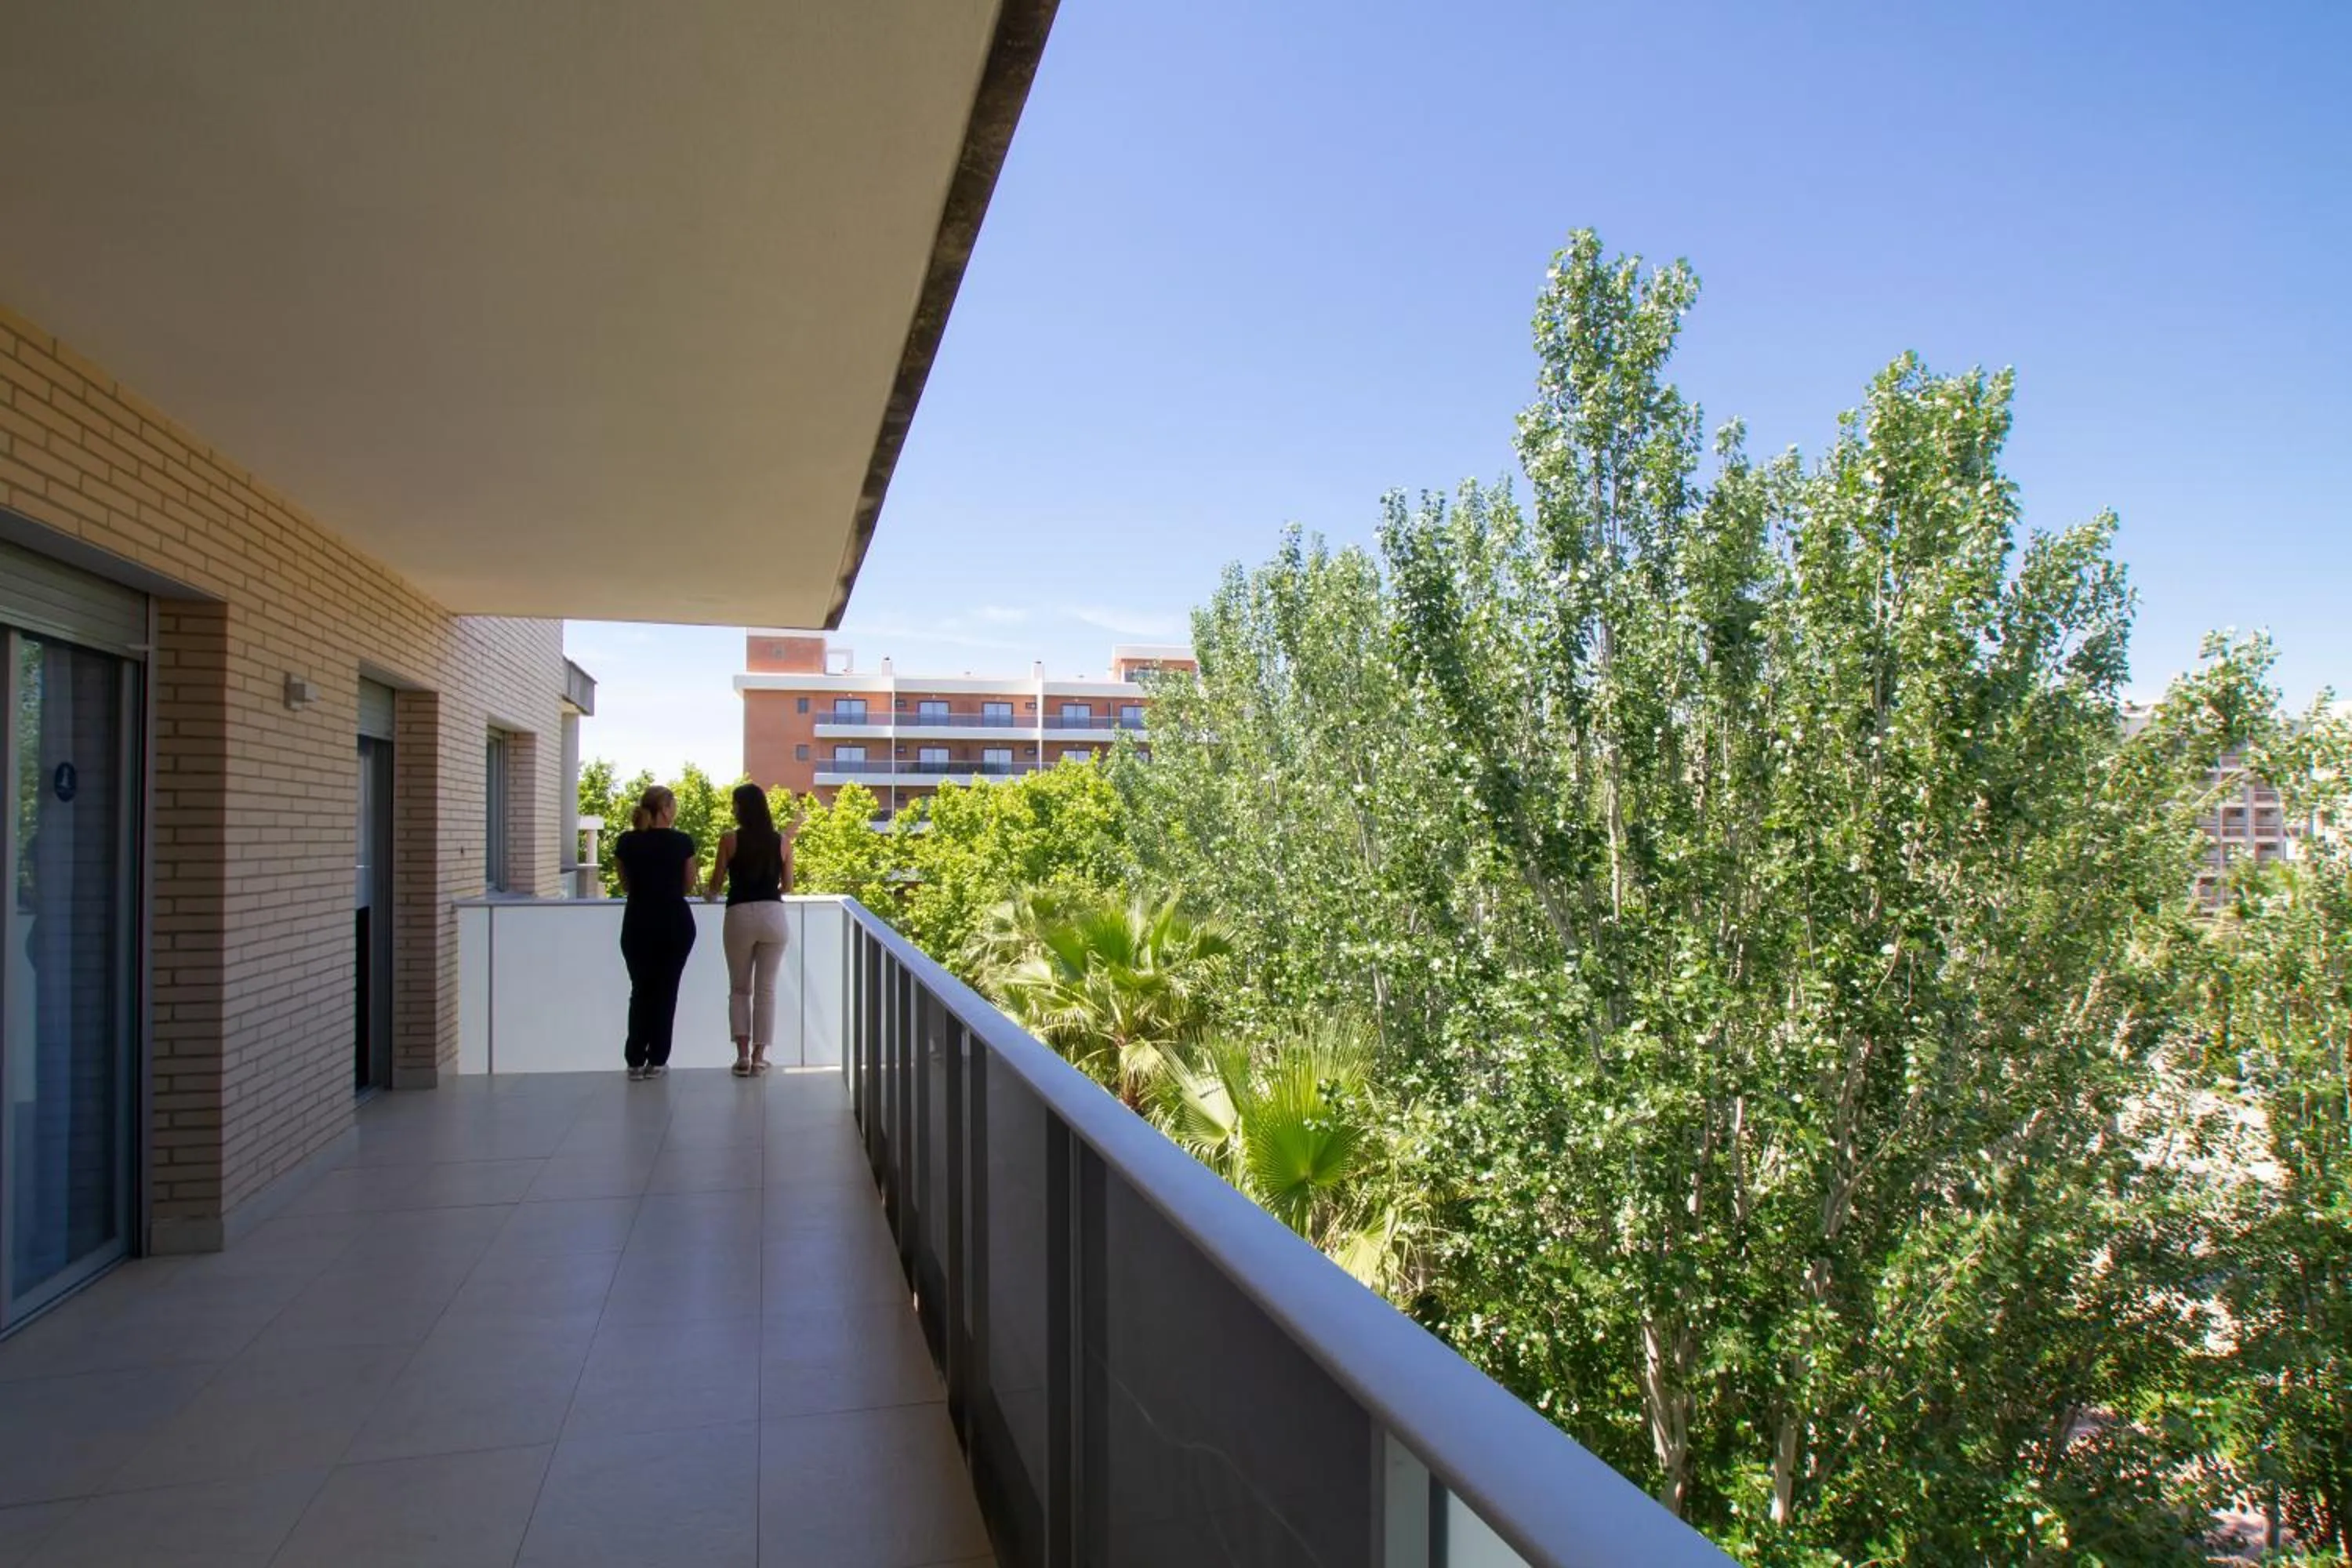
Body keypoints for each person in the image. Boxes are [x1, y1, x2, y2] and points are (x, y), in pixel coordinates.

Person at [706, 783, 793, 1076]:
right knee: (766, 990)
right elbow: (788, 886)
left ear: (742, 808)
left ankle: (742, 1055)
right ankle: (758, 1057)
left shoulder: (729, 839)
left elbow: (716, 884)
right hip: (773, 915)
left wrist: (708, 893)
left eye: (735, 804)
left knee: (740, 988)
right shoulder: (782, 841)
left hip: (739, 914)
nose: (733, 809)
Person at [613, 784, 697, 1080]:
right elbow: (688, 884)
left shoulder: (627, 842)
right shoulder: (682, 842)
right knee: (666, 991)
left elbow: (625, 884)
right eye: (673, 805)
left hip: (637, 922)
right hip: (674, 922)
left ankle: (635, 1059)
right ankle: (658, 1059)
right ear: (665, 809)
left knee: (640, 990)